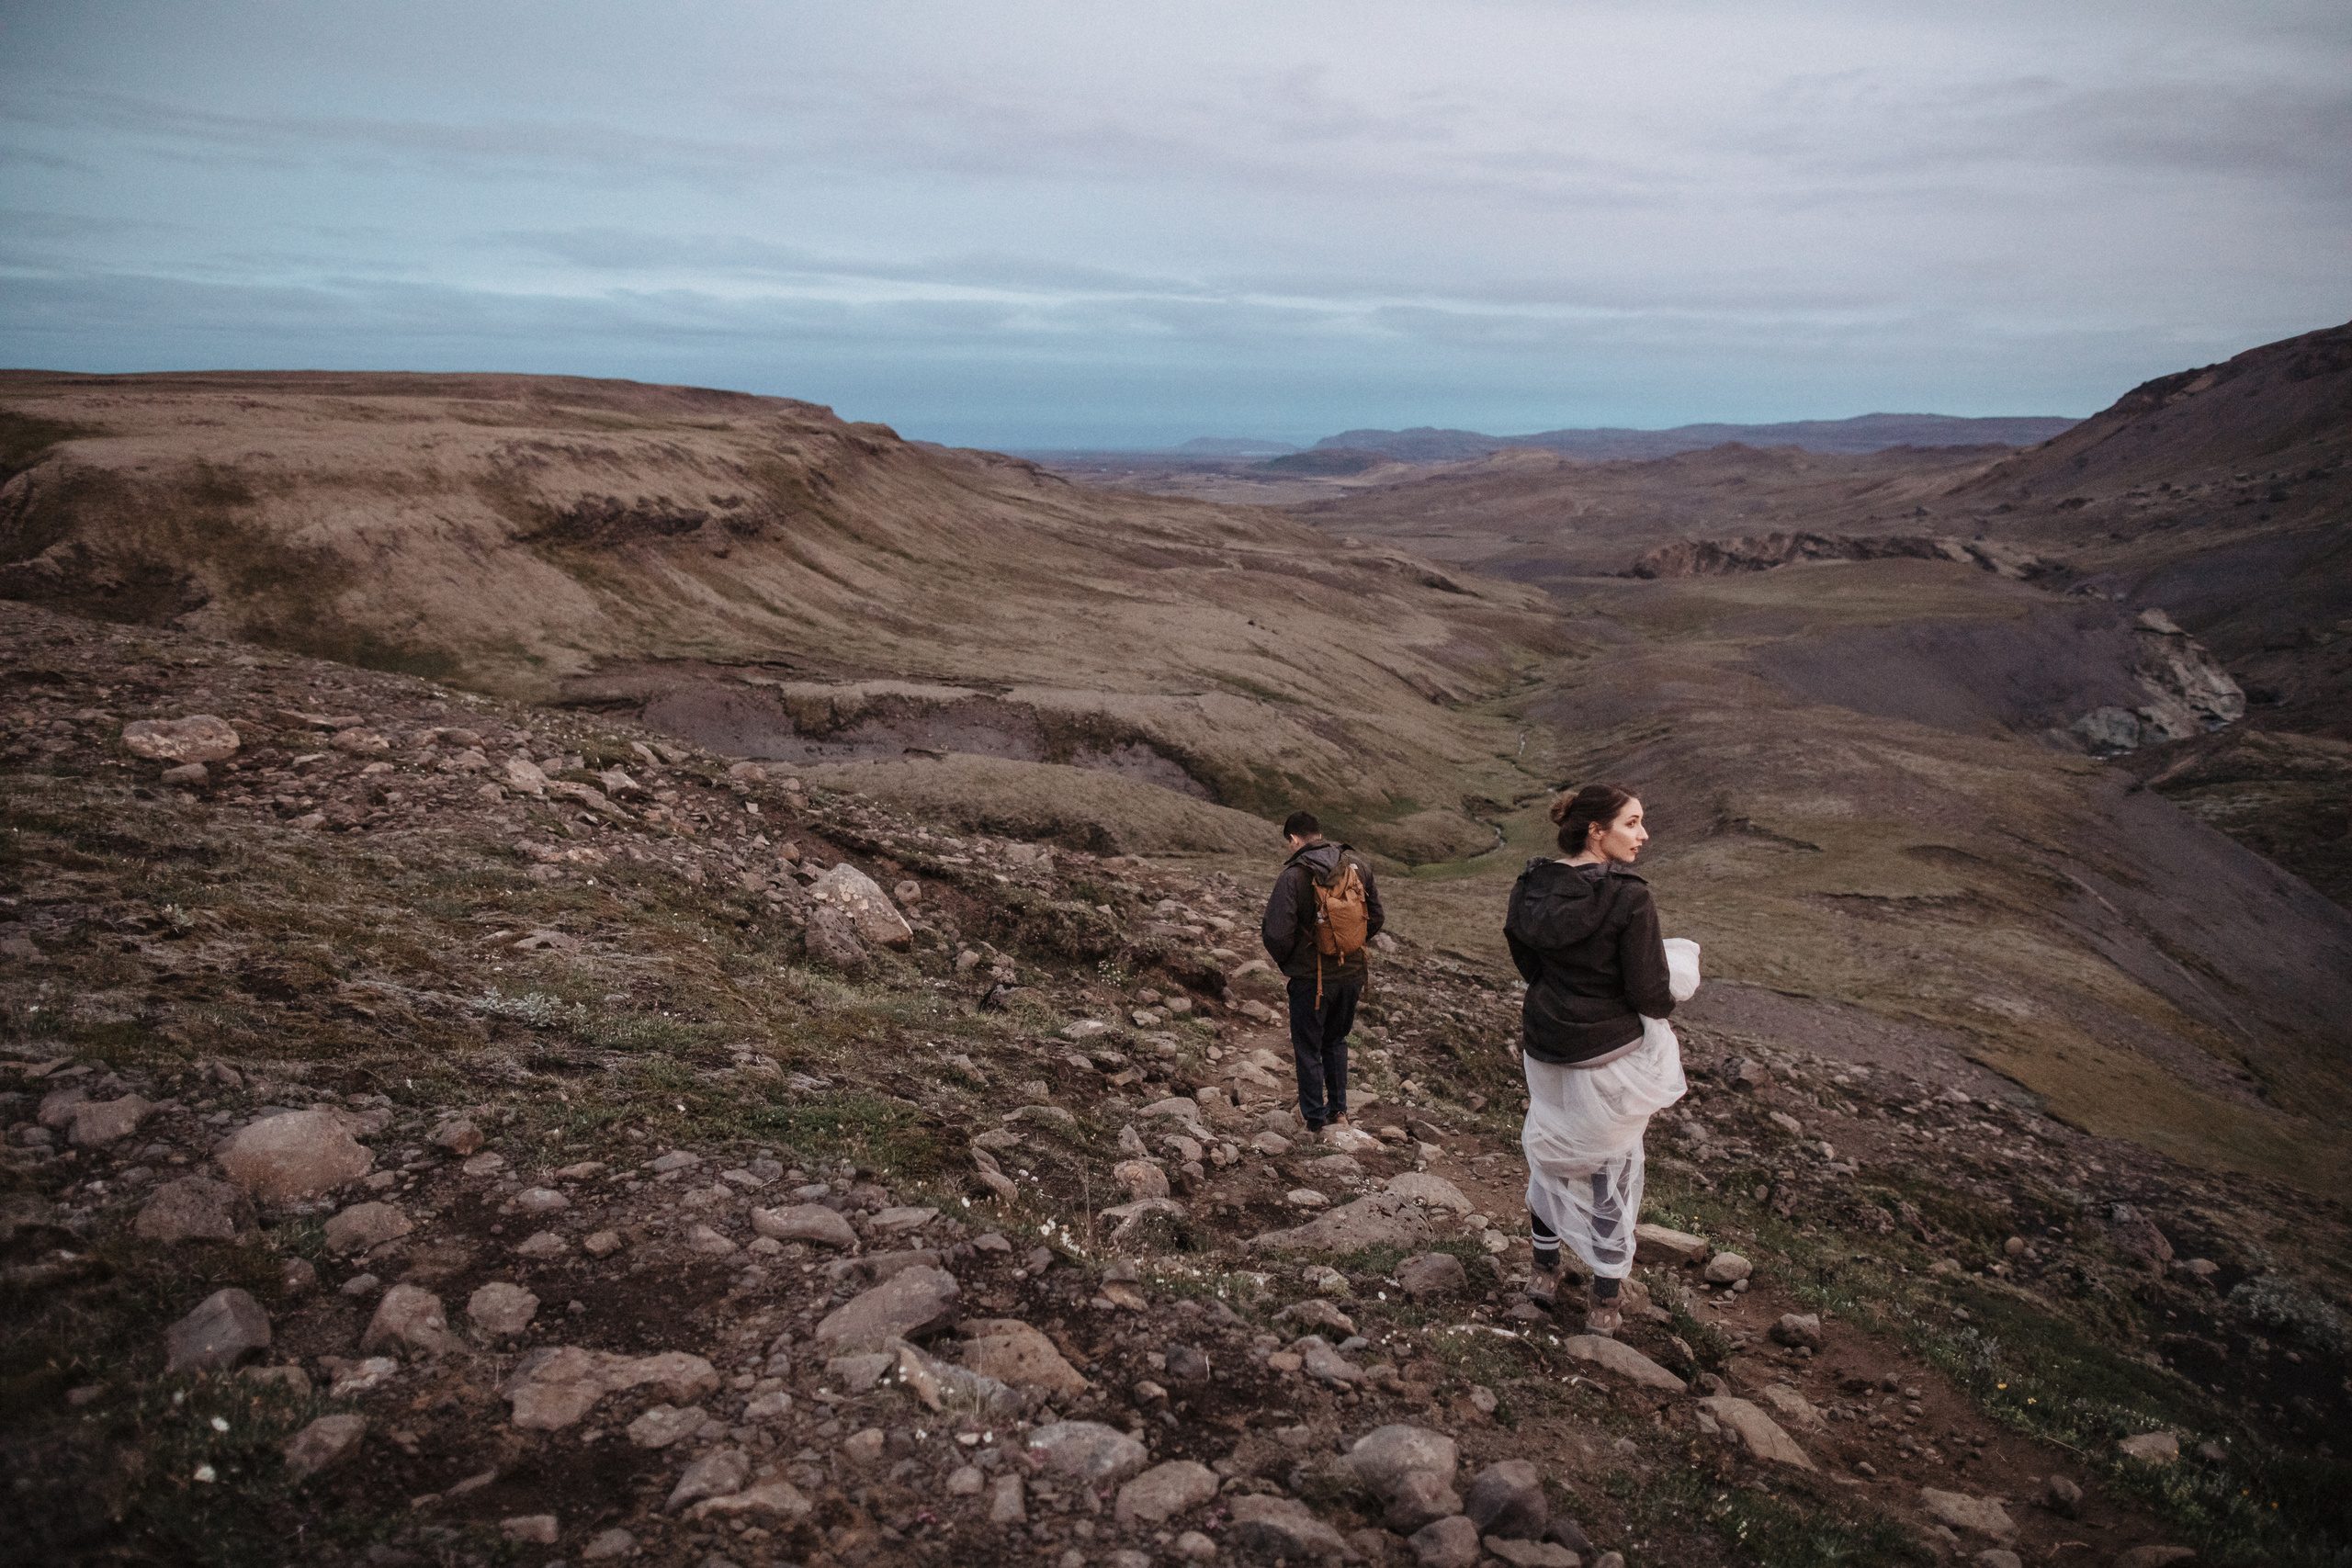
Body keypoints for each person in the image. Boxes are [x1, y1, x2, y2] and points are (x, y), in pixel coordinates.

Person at [1505, 783, 1697, 1337]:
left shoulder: (1531, 883)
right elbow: (1650, 993)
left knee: (1549, 1146)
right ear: (1596, 829)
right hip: (1608, 1050)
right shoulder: (1629, 895)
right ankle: (1604, 1300)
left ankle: (1543, 1273)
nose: (1643, 834)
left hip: (1545, 1043)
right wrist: (1678, 981)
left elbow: (1528, 961)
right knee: (1609, 1166)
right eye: (1632, 823)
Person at [1261, 810, 1385, 1133]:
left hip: (1311, 981)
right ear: (1319, 832)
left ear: (1294, 839)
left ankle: (1315, 1121)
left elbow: (1276, 934)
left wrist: (1294, 962)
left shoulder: (1293, 877)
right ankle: (1339, 1112)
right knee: (1336, 1041)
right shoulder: (1358, 868)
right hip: (1352, 974)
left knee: (1307, 1048)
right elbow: (1376, 918)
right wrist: (1348, 946)